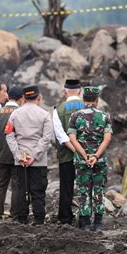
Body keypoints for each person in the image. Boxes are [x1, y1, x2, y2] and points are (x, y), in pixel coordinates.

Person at [5, 85, 54, 225]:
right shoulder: (44, 114)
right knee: (38, 191)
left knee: (21, 190)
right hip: (38, 161)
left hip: (21, 160)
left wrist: (19, 155)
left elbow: (9, 136)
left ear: (24, 98)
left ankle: (22, 219)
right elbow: (47, 138)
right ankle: (39, 220)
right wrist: (35, 155)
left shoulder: (15, 114)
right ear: (39, 97)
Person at [68, 87, 112, 232]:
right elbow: (107, 139)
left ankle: (85, 223)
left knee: (83, 190)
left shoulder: (75, 116)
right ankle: (98, 223)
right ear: (97, 100)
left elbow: (72, 138)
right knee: (99, 190)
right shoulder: (105, 116)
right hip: (99, 160)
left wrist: (84, 154)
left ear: (83, 99)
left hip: (82, 161)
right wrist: (96, 155)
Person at [53, 79, 85, 225]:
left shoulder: (58, 109)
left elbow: (60, 136)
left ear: (65, 92)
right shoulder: (87, 107)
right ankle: (86, 216)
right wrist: (83, 152)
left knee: (66, 187)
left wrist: (74, 150)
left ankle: (65, 217)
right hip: (88, 156)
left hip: (67, 155)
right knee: (86, 186)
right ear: (80, 91)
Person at [0, 86, 24, 221]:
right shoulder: (20, 112)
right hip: (15, 153)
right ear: (21, 98)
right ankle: (15, 214)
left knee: (1, 184)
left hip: (0, 152)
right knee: (16, 185)